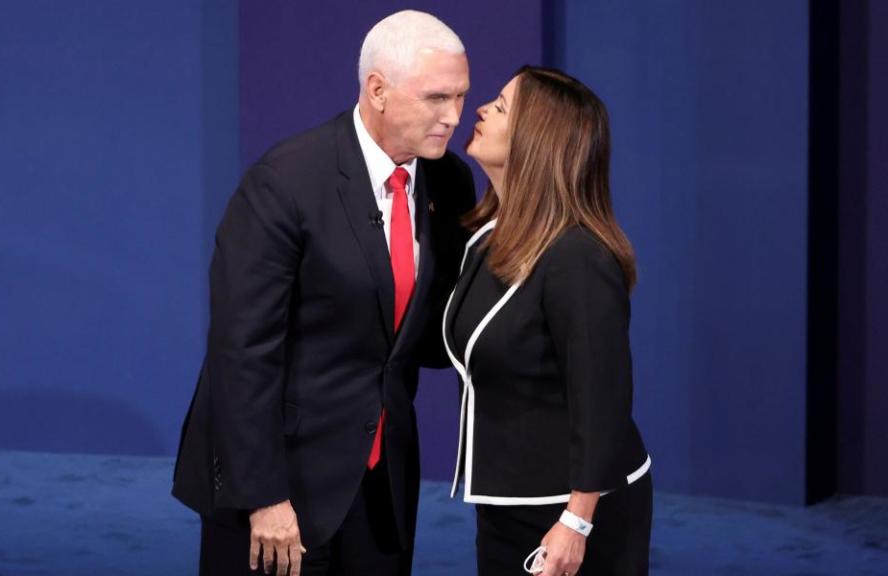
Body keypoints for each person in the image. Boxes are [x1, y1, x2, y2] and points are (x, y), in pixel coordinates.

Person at [172, 10, 475, 576]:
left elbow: (432, 336)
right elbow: (242, 350)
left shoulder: (448, 182)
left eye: (460, 97)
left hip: (381, 485)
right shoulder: (286, 181)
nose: (452, 116)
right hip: (281, 482)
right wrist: (264, 496)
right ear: (377, 90)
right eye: (436, 98)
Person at [442, 66, 652, 576]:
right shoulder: (487, 236)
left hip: (571, 510)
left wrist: (576, 522)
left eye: (501, 105)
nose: (481, 110)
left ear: (538, 140)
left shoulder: (578, 256)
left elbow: (601, 396)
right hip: (508, 498)